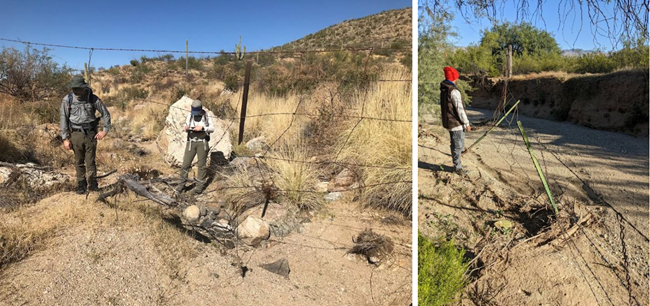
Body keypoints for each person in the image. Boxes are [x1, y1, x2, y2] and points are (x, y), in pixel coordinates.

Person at [60, 75, 112, 194]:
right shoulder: (67, 100)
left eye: (79, 88)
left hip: (90, 134)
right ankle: (81, 184)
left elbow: (106, 114)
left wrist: (104, 130)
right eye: (74, 88)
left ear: (84, 87)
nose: (76, 91)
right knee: (79, 161)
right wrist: (65, 138)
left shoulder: (93, 99)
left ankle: (93, 184)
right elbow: (63, 119)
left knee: (90, 161)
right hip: (75, 134)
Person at [177, 99, 215, 195]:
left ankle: (199, 188)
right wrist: (186, 127)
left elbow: (212, 128)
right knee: (185, 164)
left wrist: (202, 128)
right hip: (191, 142)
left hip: (202, 143)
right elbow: (186, 124)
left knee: (201, 166)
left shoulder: (206, 116)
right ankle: (181, 185)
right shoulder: (190, 115)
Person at [440, 66, 471, 175]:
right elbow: (460, 109)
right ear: (453, 77)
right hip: (456, 123)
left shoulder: (444, 89)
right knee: (458, 145)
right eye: (456, 77)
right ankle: (457, 168)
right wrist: (466, 123)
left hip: (448, 122)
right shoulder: (453, 91)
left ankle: (458, 164)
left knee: (455, 144)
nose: (457, 79)